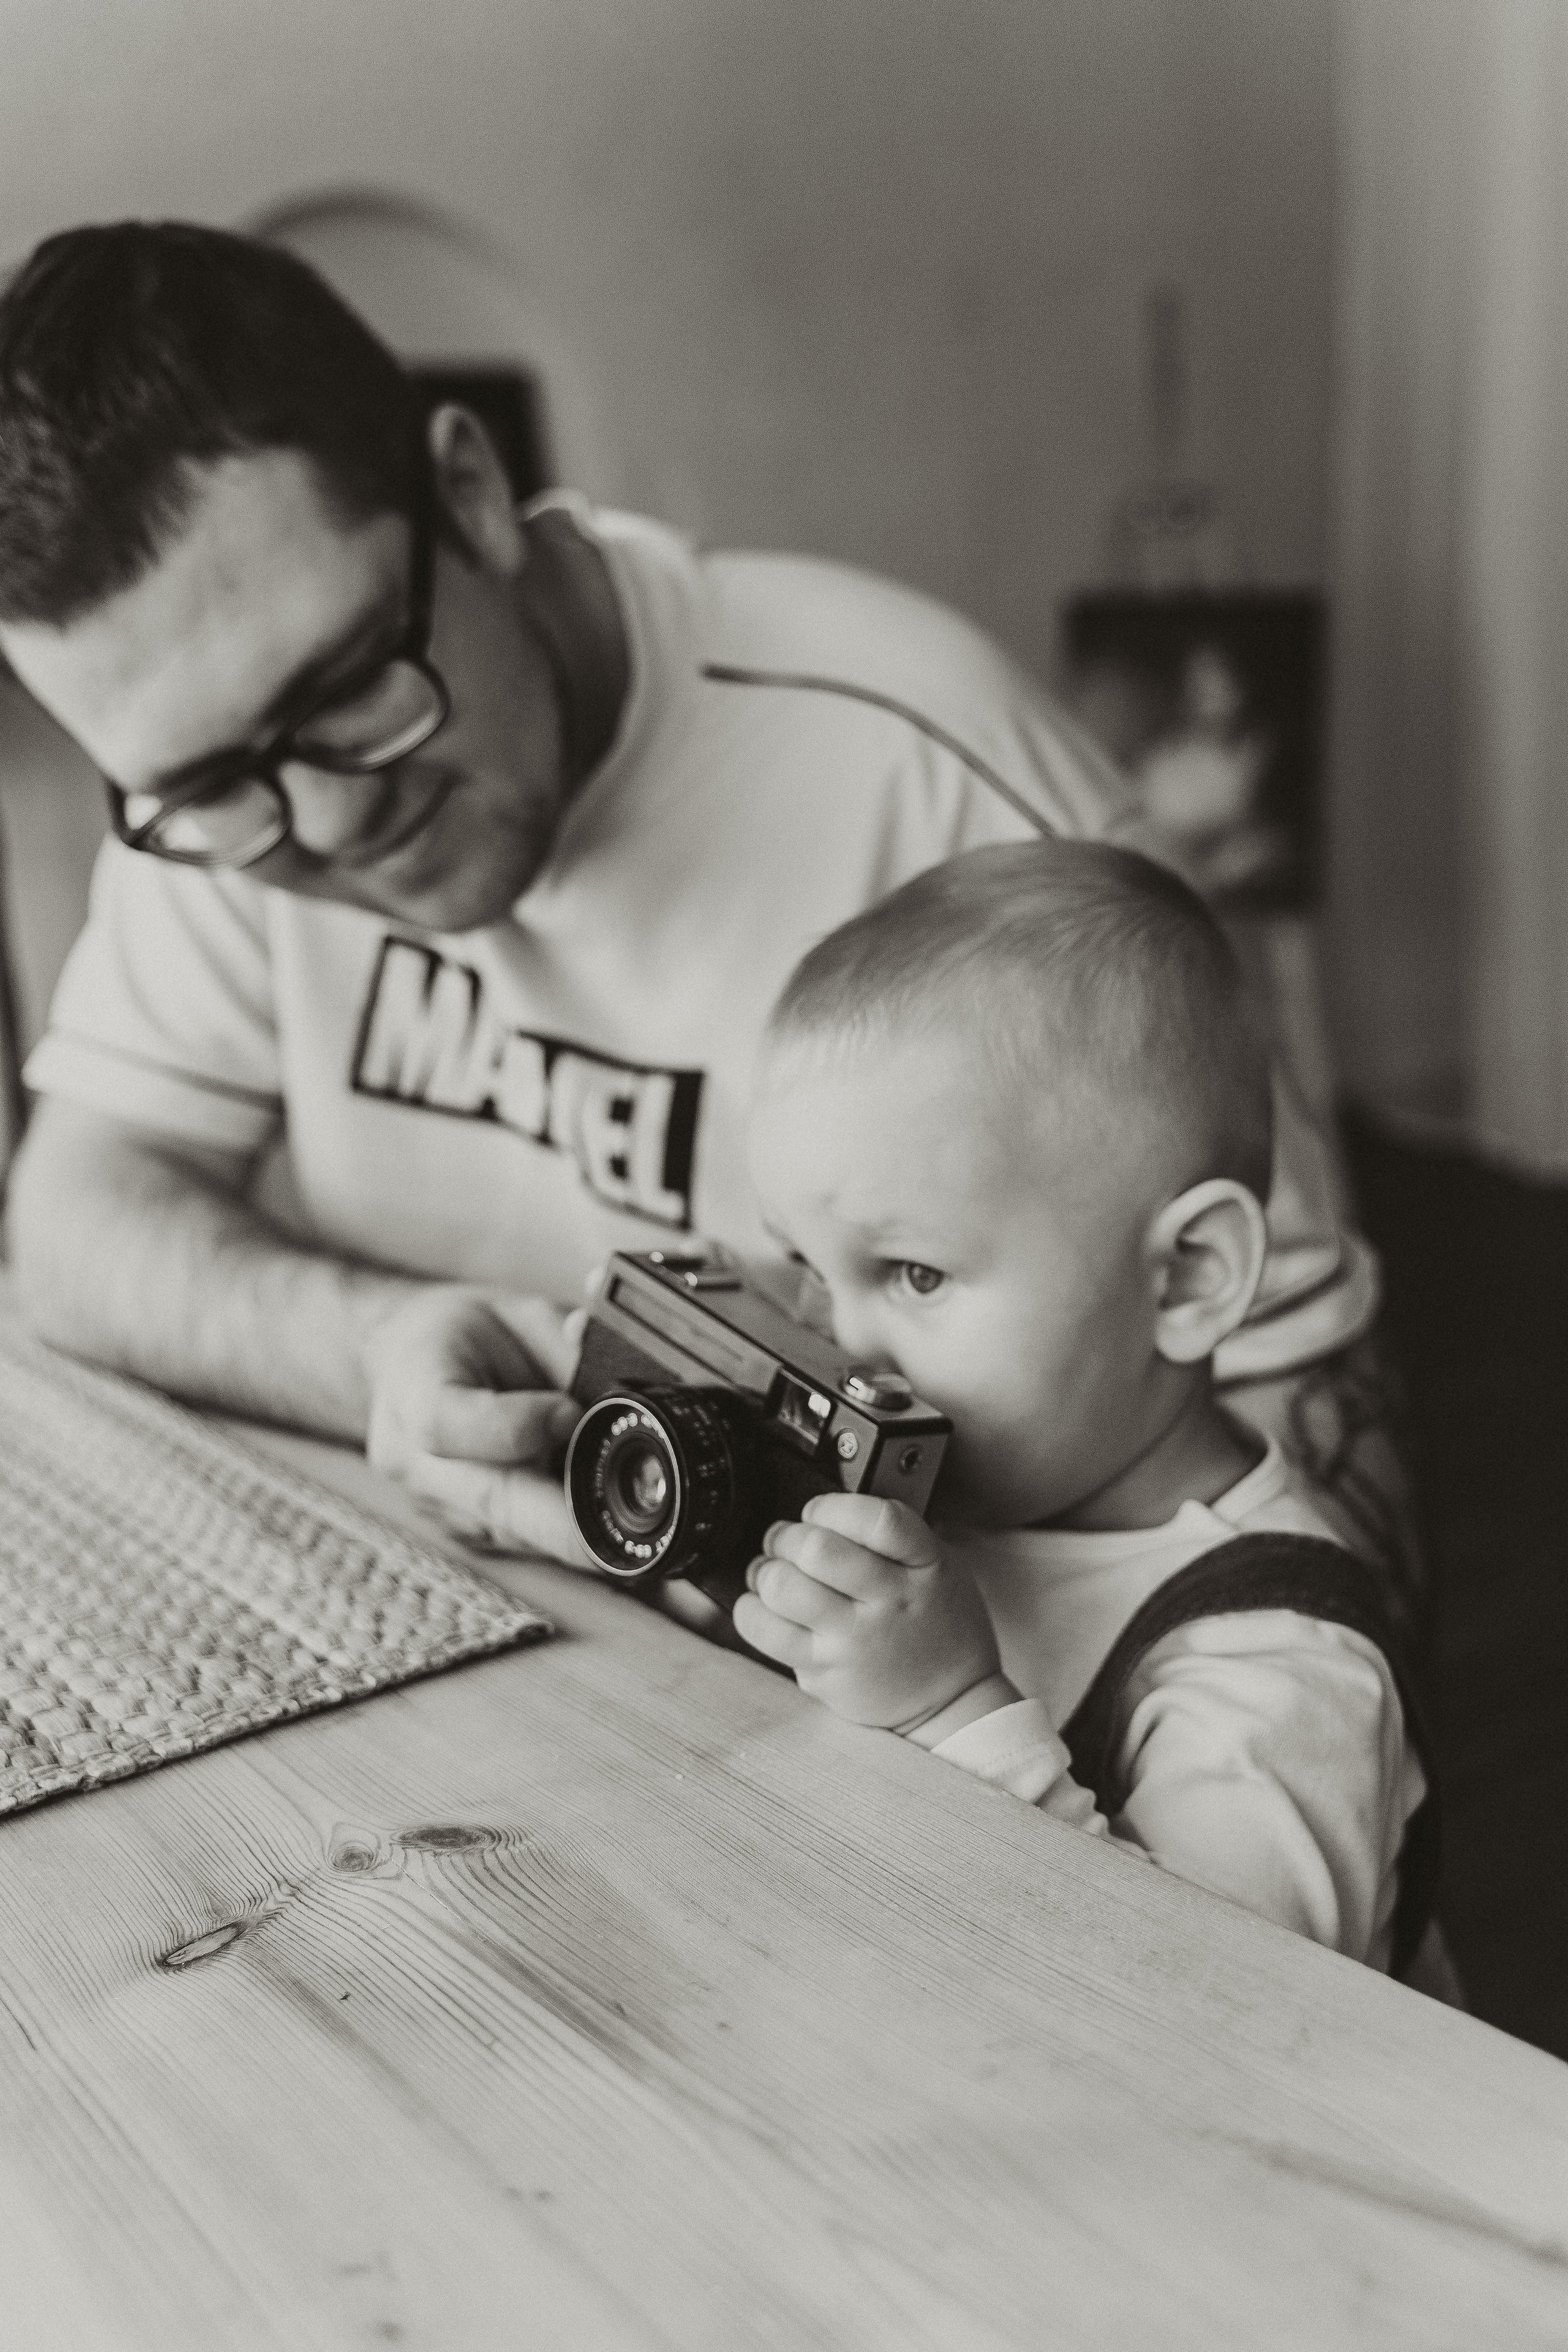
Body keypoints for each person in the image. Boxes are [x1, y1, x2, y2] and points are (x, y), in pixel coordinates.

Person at [0, 220, 1393, 1592]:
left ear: (471, 496)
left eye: (349, 685)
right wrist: (376, 1348)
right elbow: (69, 1224)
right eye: (209, 781)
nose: (328, 820)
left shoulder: (938, 785)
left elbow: (1314, 1464)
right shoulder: (227, 826)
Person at [733, 840, 1433, 1972]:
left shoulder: (1279, 1665)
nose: (844, 1348)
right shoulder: (969, 1484)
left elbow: (1218, 2011)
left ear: (1187, 1279)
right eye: (809, 1268)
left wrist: (949, 1712)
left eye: (915, 1274)